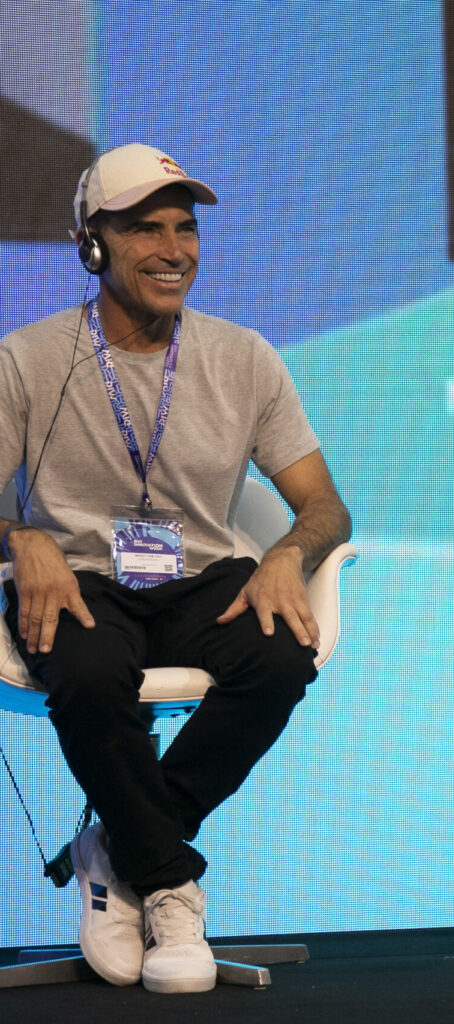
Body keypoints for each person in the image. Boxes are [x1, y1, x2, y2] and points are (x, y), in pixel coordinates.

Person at [0, 144, 352, 994]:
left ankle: (121, 853)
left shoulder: (243, 356)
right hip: (80, 577)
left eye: (185, 228)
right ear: (93, 244)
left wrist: (284, 557)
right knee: (86, 668)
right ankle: (169, 885)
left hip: (197, 575)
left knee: (277, 655)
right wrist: (21, 537)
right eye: (145, 229)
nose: (173, 249)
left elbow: (325, 507)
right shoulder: (27, 358)